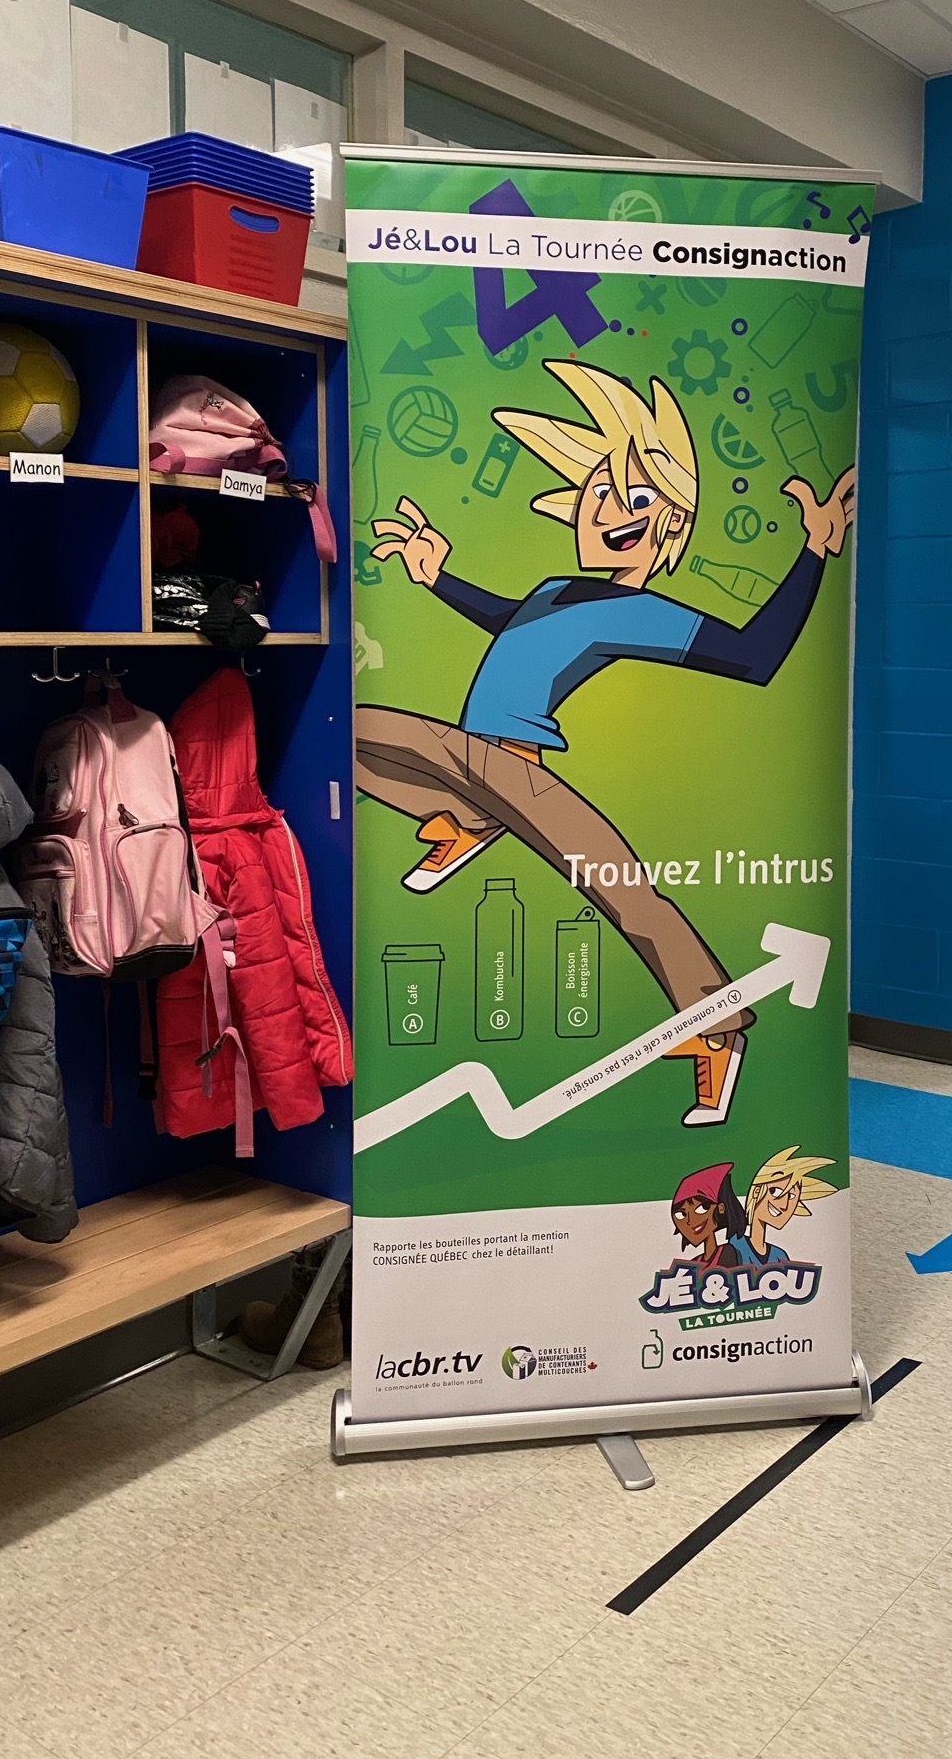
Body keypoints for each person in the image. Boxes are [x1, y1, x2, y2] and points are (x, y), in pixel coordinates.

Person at [355, 358, 854, 1128]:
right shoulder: (555, 590)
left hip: (513, 770)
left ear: (673, 522)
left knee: (629, 896)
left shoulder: (637, 607)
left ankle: (716, 1030)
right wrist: (437, 577)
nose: (607, 508)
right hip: (476, 761)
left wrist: (814, 552)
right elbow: (509, 621)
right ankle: (467, 819)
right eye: (597, 491)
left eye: (635, 496)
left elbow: (754, 657)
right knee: (359, 730)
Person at [732, 1147, 837, 1266]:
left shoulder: (779, 1256)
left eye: (791, 1196)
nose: (784, 1205)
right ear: (756, 1192)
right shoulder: (735, 1244)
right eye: (775, 1191)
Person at [669, 1161, 745, 1269]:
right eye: (682, 1214)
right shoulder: (695, 1262)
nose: (690, 1221)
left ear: (721, 1208)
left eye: (702, 1208)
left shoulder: (727, 1253)